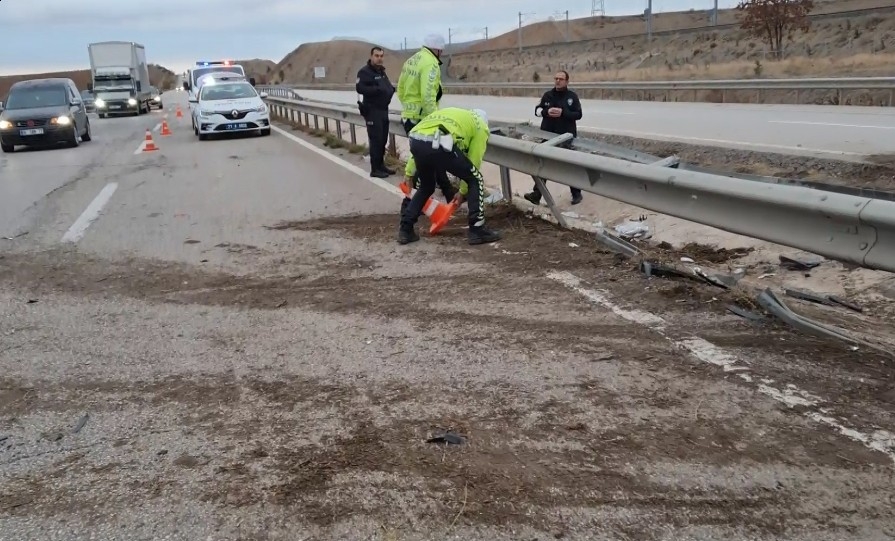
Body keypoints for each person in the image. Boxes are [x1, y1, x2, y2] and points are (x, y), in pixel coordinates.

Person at [398, 107, 501, 246]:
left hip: (416, 138)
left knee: (426, 186)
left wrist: (409, 173)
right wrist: (463, 192)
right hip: (439, 141)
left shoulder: (455, 115)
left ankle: (405, 229)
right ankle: (477, 229)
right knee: (475, 179)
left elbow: (424, 138)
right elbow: (474, 161)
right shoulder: (480, 126)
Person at [396, 34, 455, 219]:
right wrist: (434, 119)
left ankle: (449, 197)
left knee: (431, 160)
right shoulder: (430, 63)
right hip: (423, 120)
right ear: (438, 50)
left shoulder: (412, 60)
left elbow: (400, 89)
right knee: (426, 162)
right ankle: (408, 207)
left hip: (409, 116)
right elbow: (428, 95)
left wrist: (409, 108)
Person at [523, 70, 584, 206]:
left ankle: (576, 193)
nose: (558, 81)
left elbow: (578, 115)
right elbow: (537, 111)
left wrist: (564, 113)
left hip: (566, 137)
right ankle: (537, 194)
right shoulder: (548, 95)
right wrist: (547, 112)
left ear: (567, 81)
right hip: (548, 136)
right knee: (543, 165)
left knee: (568, 165)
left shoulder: (572, 97)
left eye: (561, 79)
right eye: (556, 78)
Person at [355, 46, 396, 178]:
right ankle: (375, 169)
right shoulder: (364, 72)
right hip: (372, 111)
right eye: (377, 56)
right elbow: (360, 88)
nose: (379, 58)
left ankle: (381, 165)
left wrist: (391, 90)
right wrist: (377, 90)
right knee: (376, 140)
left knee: (383, 139)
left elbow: (387, 86)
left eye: (381, 56)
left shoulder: (381, 72)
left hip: (384, 110)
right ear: (371, 56)